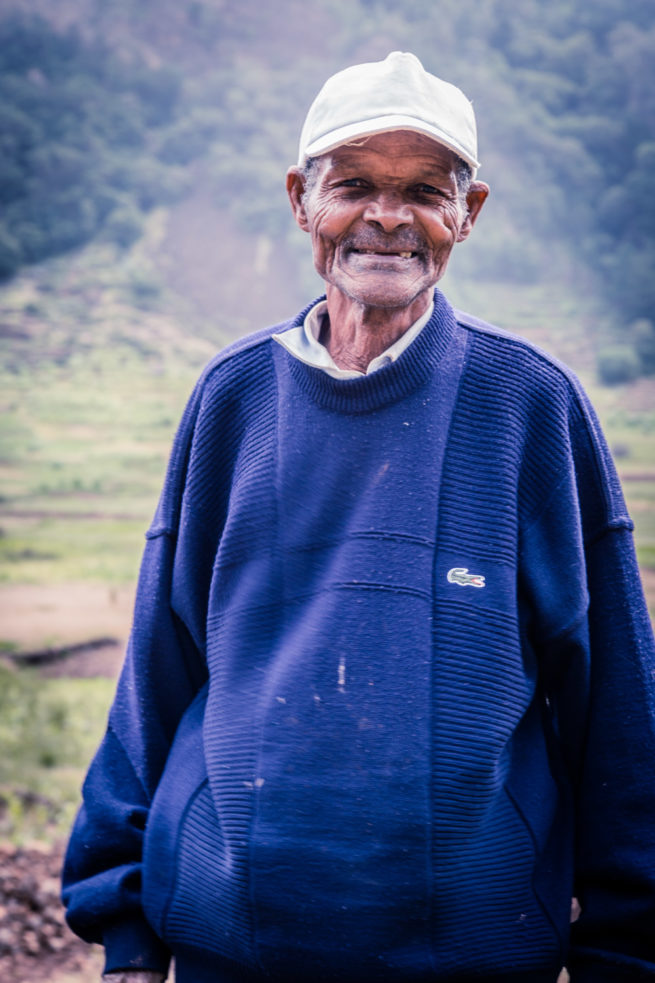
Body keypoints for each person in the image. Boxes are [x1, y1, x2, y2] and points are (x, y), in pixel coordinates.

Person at [62, 52, 655, 983]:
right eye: (352, 186)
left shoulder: (530, 405)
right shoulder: (233, 398)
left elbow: (615, 702)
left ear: (468, 212)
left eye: (424, 190)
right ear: (301, 200)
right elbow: (158, 670)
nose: (387, 216)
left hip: (469, 960)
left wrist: (625, 949)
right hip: (230, 949)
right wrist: (127, 931)